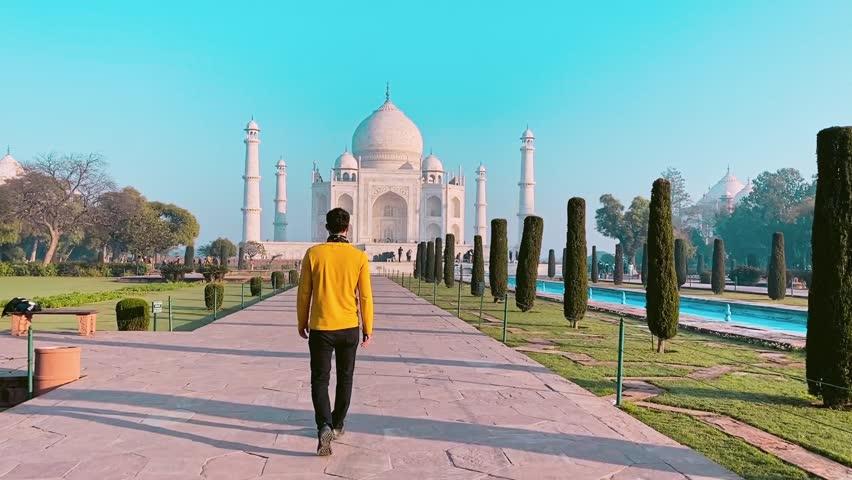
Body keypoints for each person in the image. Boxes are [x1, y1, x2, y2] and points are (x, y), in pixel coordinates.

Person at [297, 208, 374, 456]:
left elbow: (304, 293)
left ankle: (324, 425)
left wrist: (302, 322)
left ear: (326, 227)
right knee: (345, 378)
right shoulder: (358, 256)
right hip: (349, 327)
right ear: (347, 228)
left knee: (320, 379)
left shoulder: (314, 254)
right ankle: (338, 424)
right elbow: (365, 296)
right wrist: (368, 327)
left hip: (321, 326)